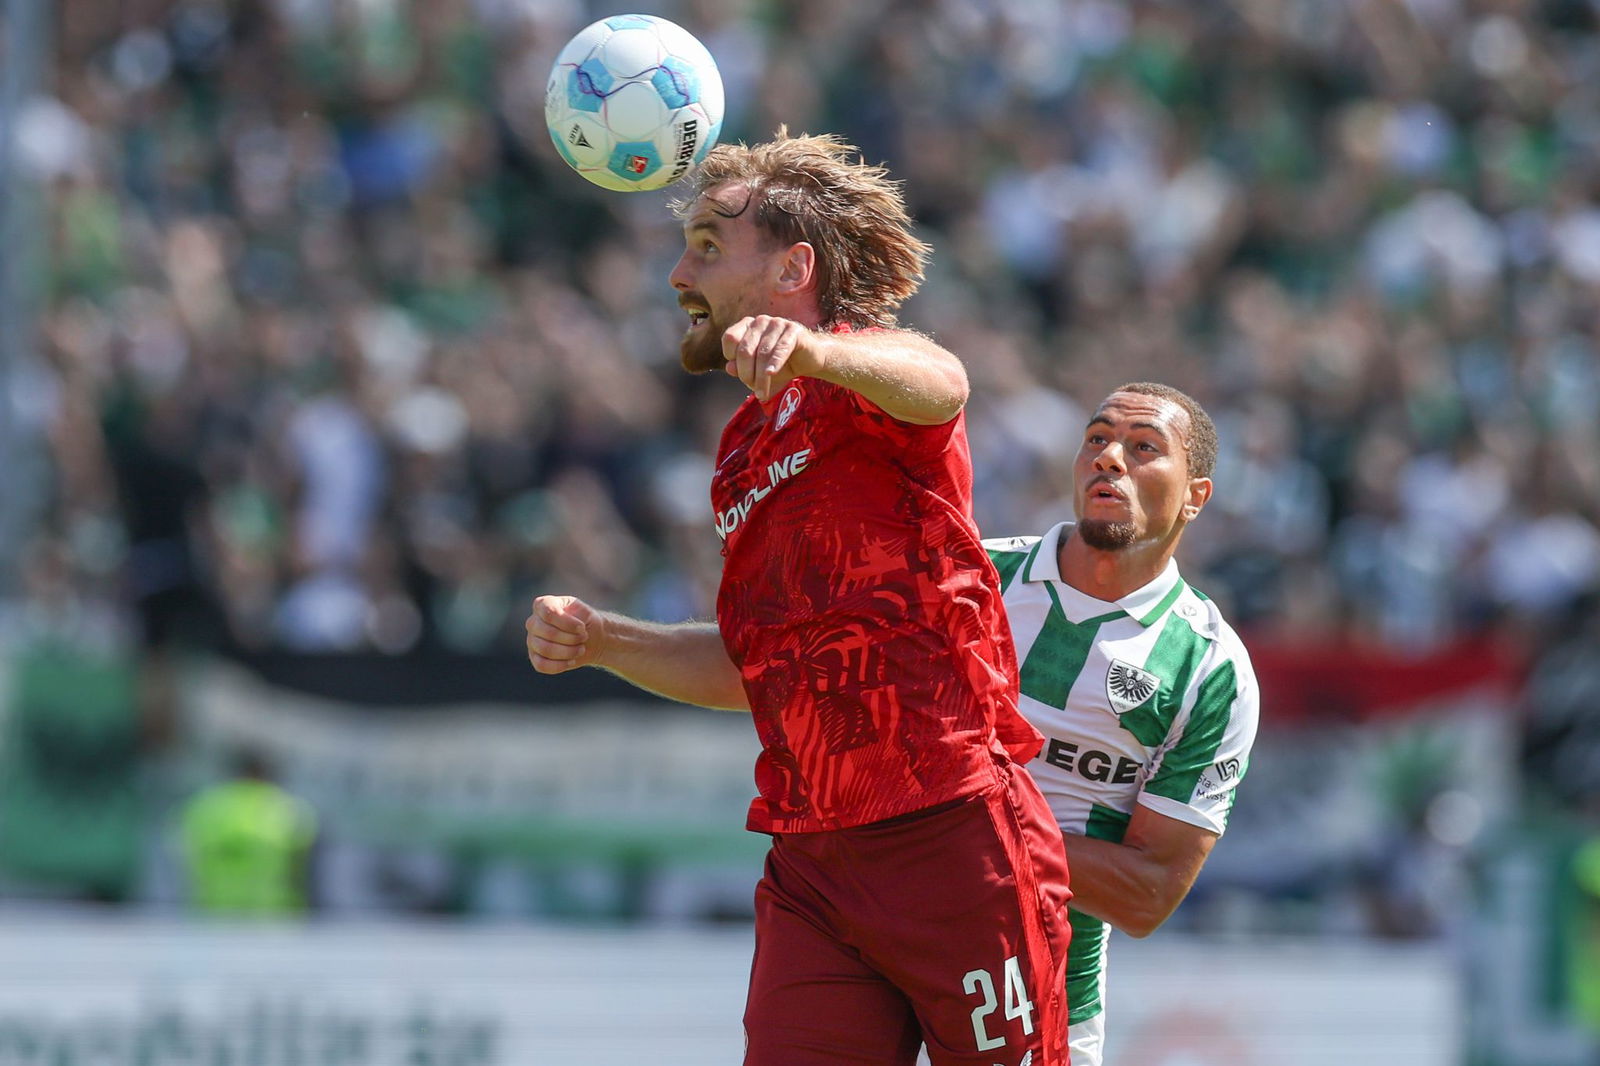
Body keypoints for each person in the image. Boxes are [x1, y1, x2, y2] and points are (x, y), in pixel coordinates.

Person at [525, 130, 1073, 1066]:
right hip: (813, 860)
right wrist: (606, 640)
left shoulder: (868, 373)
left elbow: (943, 383)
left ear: (793, 268)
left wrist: (817, 351)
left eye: (704, 245)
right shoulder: (743, 445)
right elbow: (761, 671)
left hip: (951, 833)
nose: (674, 273)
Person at [984, 382, 1259, 1066]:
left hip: (1044, 1005)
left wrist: (974, 823)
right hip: (878, 958)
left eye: (1142, 448)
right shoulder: (973, 575)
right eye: (1097, 439)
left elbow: (1148, 895)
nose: (1110, 458)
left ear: (1196, 497)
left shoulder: (1210, 668)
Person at [179, 746, 318, 917]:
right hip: (272, 917)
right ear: (268, 774)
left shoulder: (206, 807)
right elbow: (304, 869)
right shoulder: (287, 809)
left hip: (214, 915)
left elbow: (185, 855)